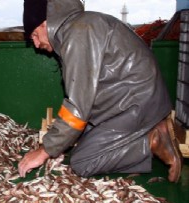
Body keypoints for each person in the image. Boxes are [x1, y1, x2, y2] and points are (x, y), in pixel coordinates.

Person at [18, 0, 183, 182]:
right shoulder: (80, 26)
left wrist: (45, 150)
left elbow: (78, 108)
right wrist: (60, 141)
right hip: (132, 97)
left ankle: (151, 140)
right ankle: (150, 129)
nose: (35, 43)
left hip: (136, 102)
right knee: (83, 141)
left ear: (45, 23)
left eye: (34, 34)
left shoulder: (77, 36)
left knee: (82, 161)